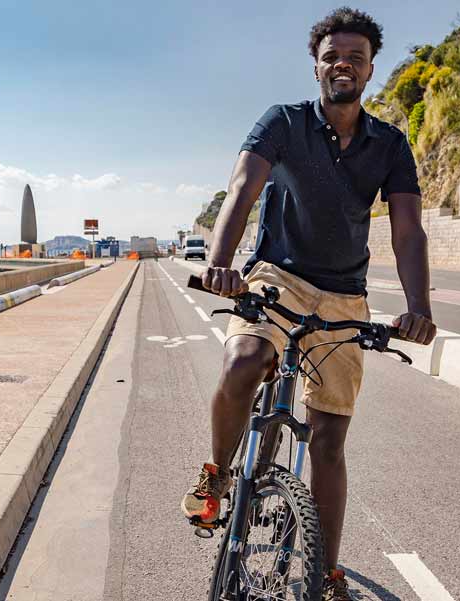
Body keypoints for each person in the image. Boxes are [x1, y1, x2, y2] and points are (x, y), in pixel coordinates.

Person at [179, 7, 437, 600]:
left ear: (370, 69)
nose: (343, 64)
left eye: (355, 57)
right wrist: (220, 263)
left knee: (328, 441)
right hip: (278, 275)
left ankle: (325, 570)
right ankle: (218, 472)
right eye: (332, 56)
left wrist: (418, 306)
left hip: (345, 293)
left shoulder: (390, 144)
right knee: (245, 361)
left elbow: (408, 230)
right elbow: (243, 187)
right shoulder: (283, 122)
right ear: (316, 65)